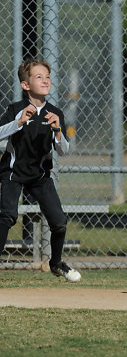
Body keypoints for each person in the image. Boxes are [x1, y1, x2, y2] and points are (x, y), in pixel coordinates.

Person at [0, 59, 81, 282]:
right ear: (26, 85)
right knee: (7, 216)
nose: (45, 80)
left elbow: (63, 151)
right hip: (13, 173)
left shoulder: (55, 113)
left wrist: (57, 131)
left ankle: (56, 263)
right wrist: (18, 122)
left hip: (40, 176)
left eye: (47, 77)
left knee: (59, 221)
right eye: (38, 77)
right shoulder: (15, 109)